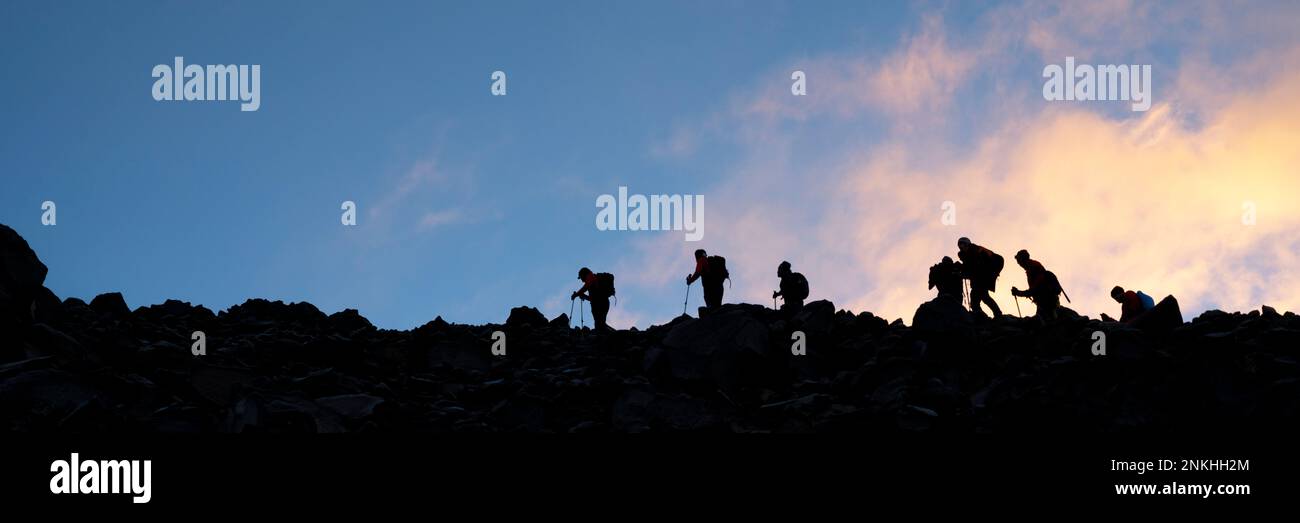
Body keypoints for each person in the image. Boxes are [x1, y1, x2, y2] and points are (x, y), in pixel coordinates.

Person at [956, 237, 1004, 319]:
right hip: (983, 275)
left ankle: (983, 315)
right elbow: (972, 268)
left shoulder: (974, 251)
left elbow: (974, 267)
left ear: (967, 244)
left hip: (984, 275)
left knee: (978, 296)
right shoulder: (971, 253)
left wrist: (962, 271)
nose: (961, 247)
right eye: (960, 245)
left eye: (962, 244)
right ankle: (992, 314)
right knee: (983, 296)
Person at [1010, 250, 1061, 320]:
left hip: (1047, 300)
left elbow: (1036, 288)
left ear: (1023, 259)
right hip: (1047, 299)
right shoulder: (1032, 267)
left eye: (1019, 261)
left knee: (1046, 320)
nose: (1019, 264)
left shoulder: (1033, 267)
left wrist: (1019, 293)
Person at [571, 267, 613, 331]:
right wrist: (584, 296)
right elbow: (594, 298)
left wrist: (576, 294)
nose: (582, 280)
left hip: (601, 304)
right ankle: (611, 334)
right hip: (602, 303)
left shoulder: (590, 277)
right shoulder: (593, 281)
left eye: (581, 278)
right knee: (600, 324)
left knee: (599, 325)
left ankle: (613, 336)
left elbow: (586, 287)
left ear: (584, 275)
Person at [686, 249, 727, 313]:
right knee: (717, 306)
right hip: (719, 286)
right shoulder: (712, 262)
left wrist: (690, 281)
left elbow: (697, 273)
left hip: (709, 287)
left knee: (711, 307)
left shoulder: (702, 260)